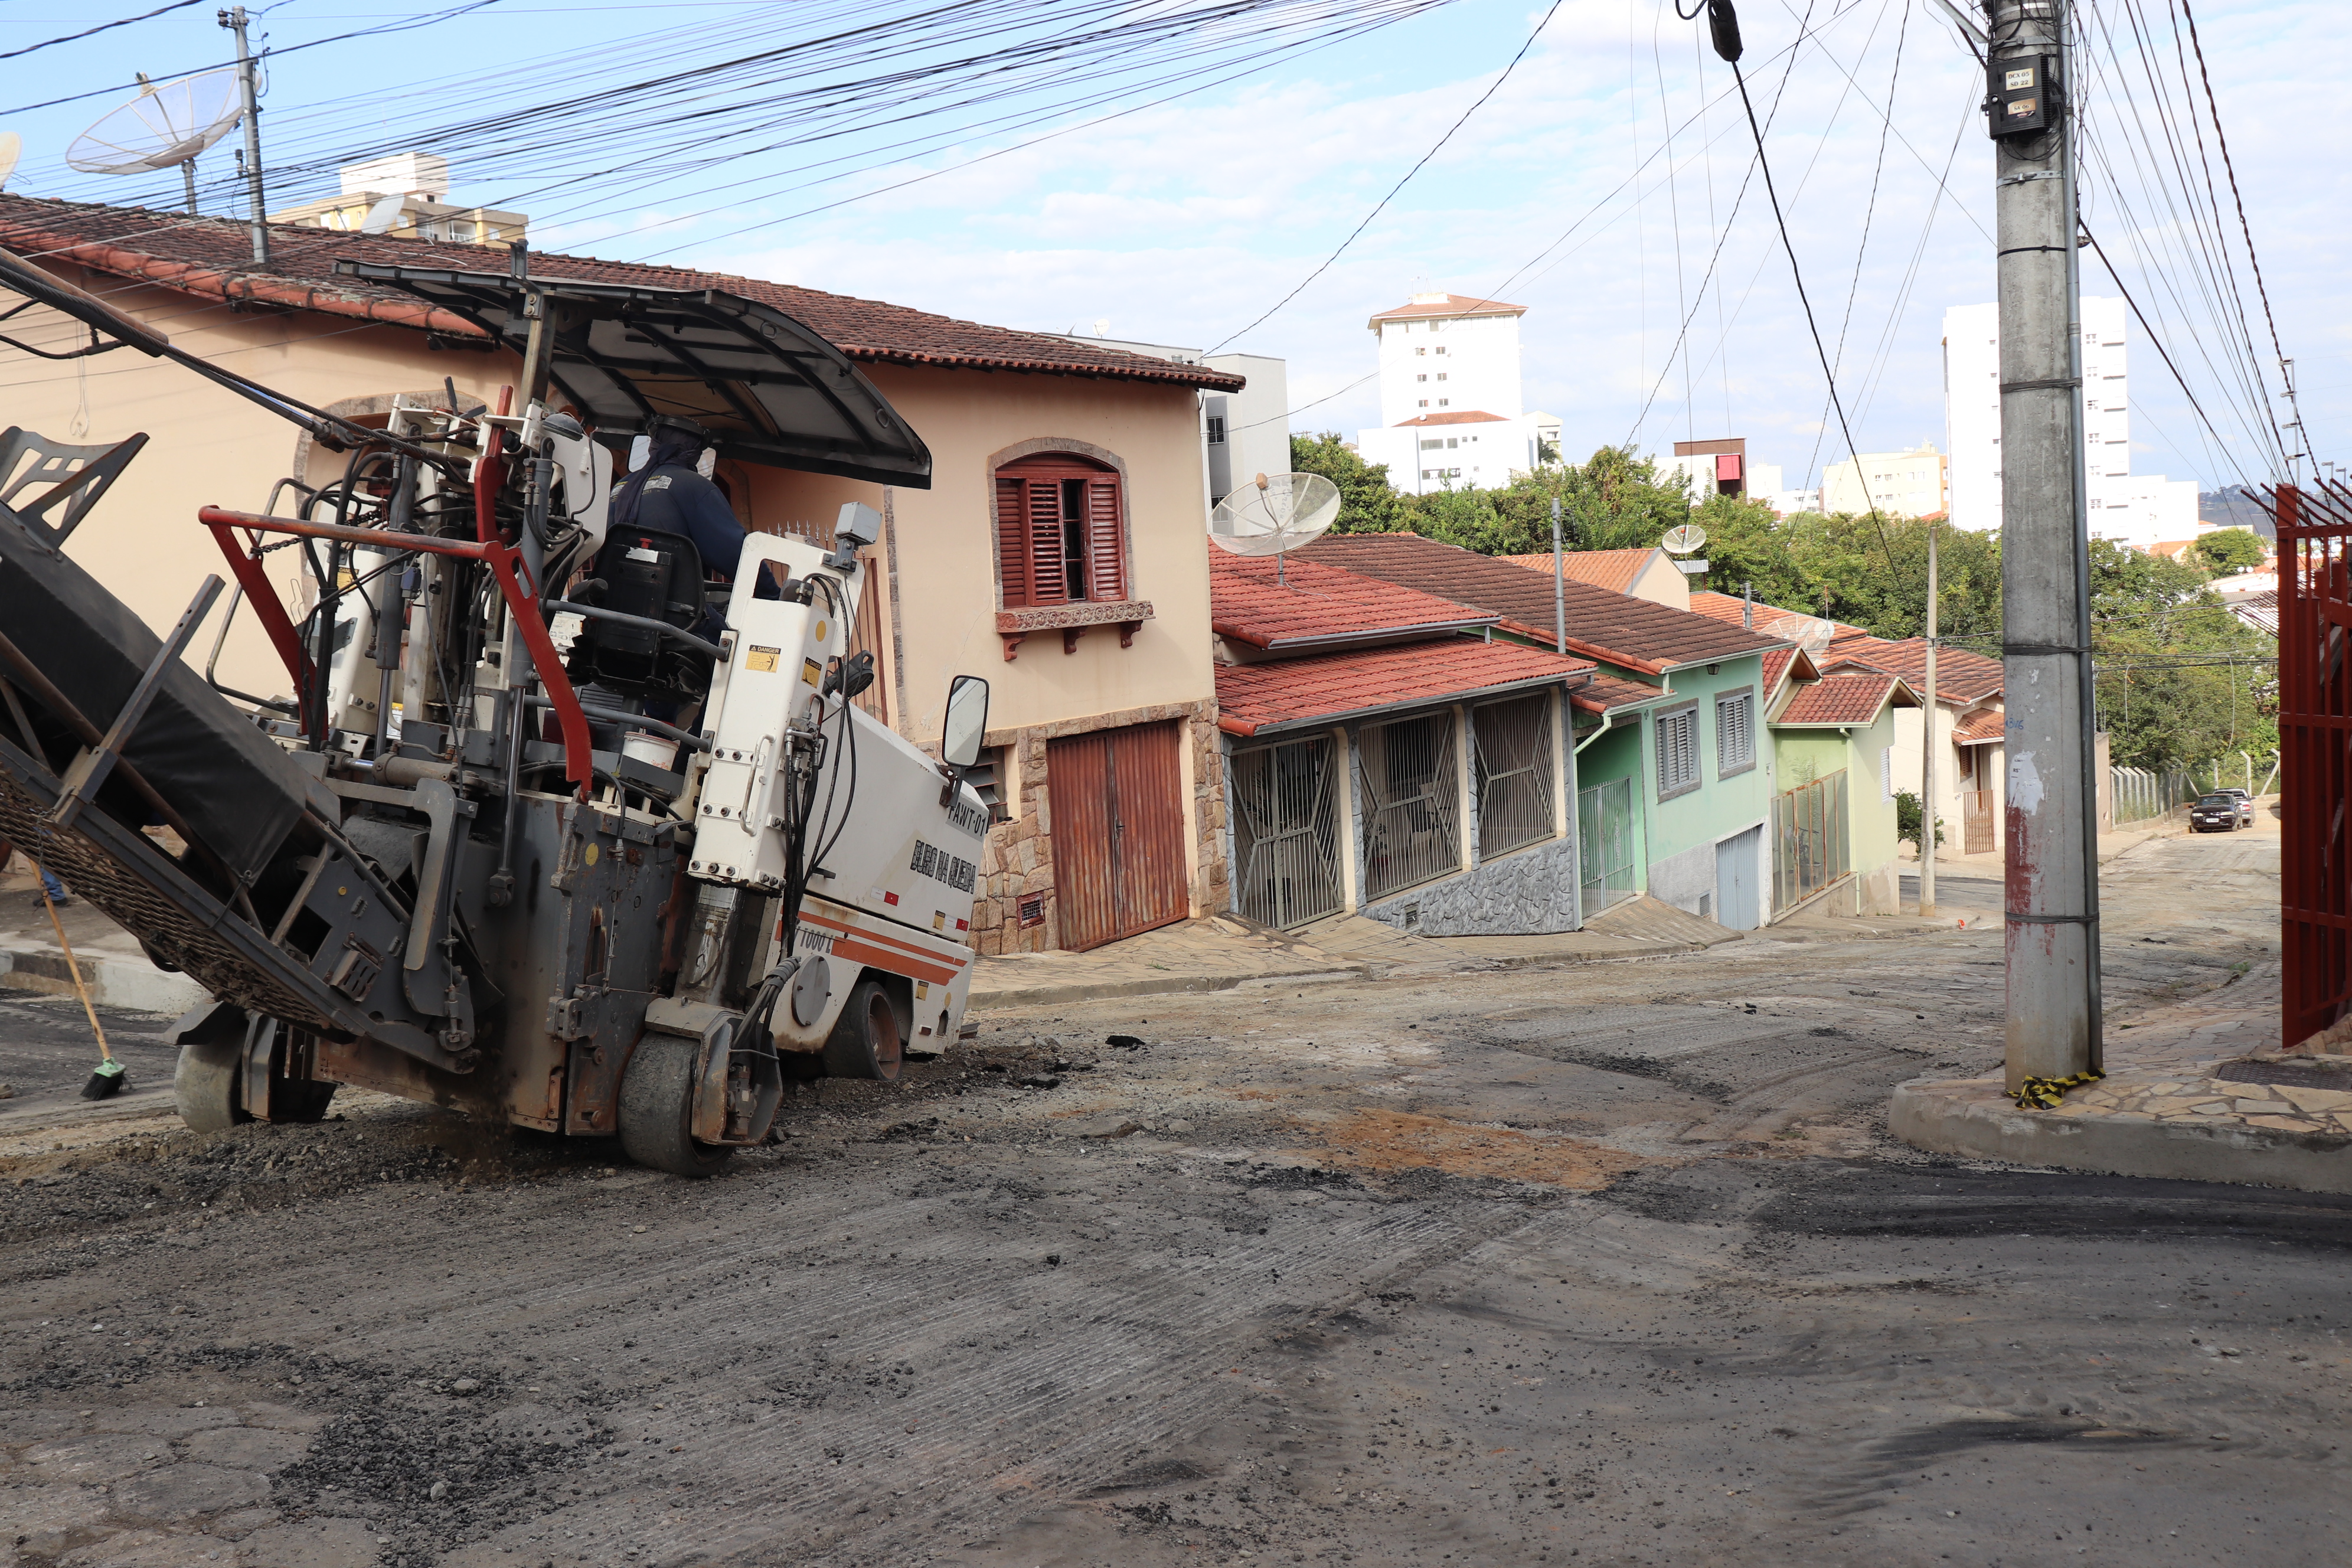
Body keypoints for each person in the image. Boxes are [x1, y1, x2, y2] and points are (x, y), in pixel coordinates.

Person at [603, 416, 746, 585]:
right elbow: (733, 554)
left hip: (609, 600)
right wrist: (773, 594)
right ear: (694, 451)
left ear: (654, 443)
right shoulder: (694, 484)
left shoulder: (622, 485)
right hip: (674, 606)